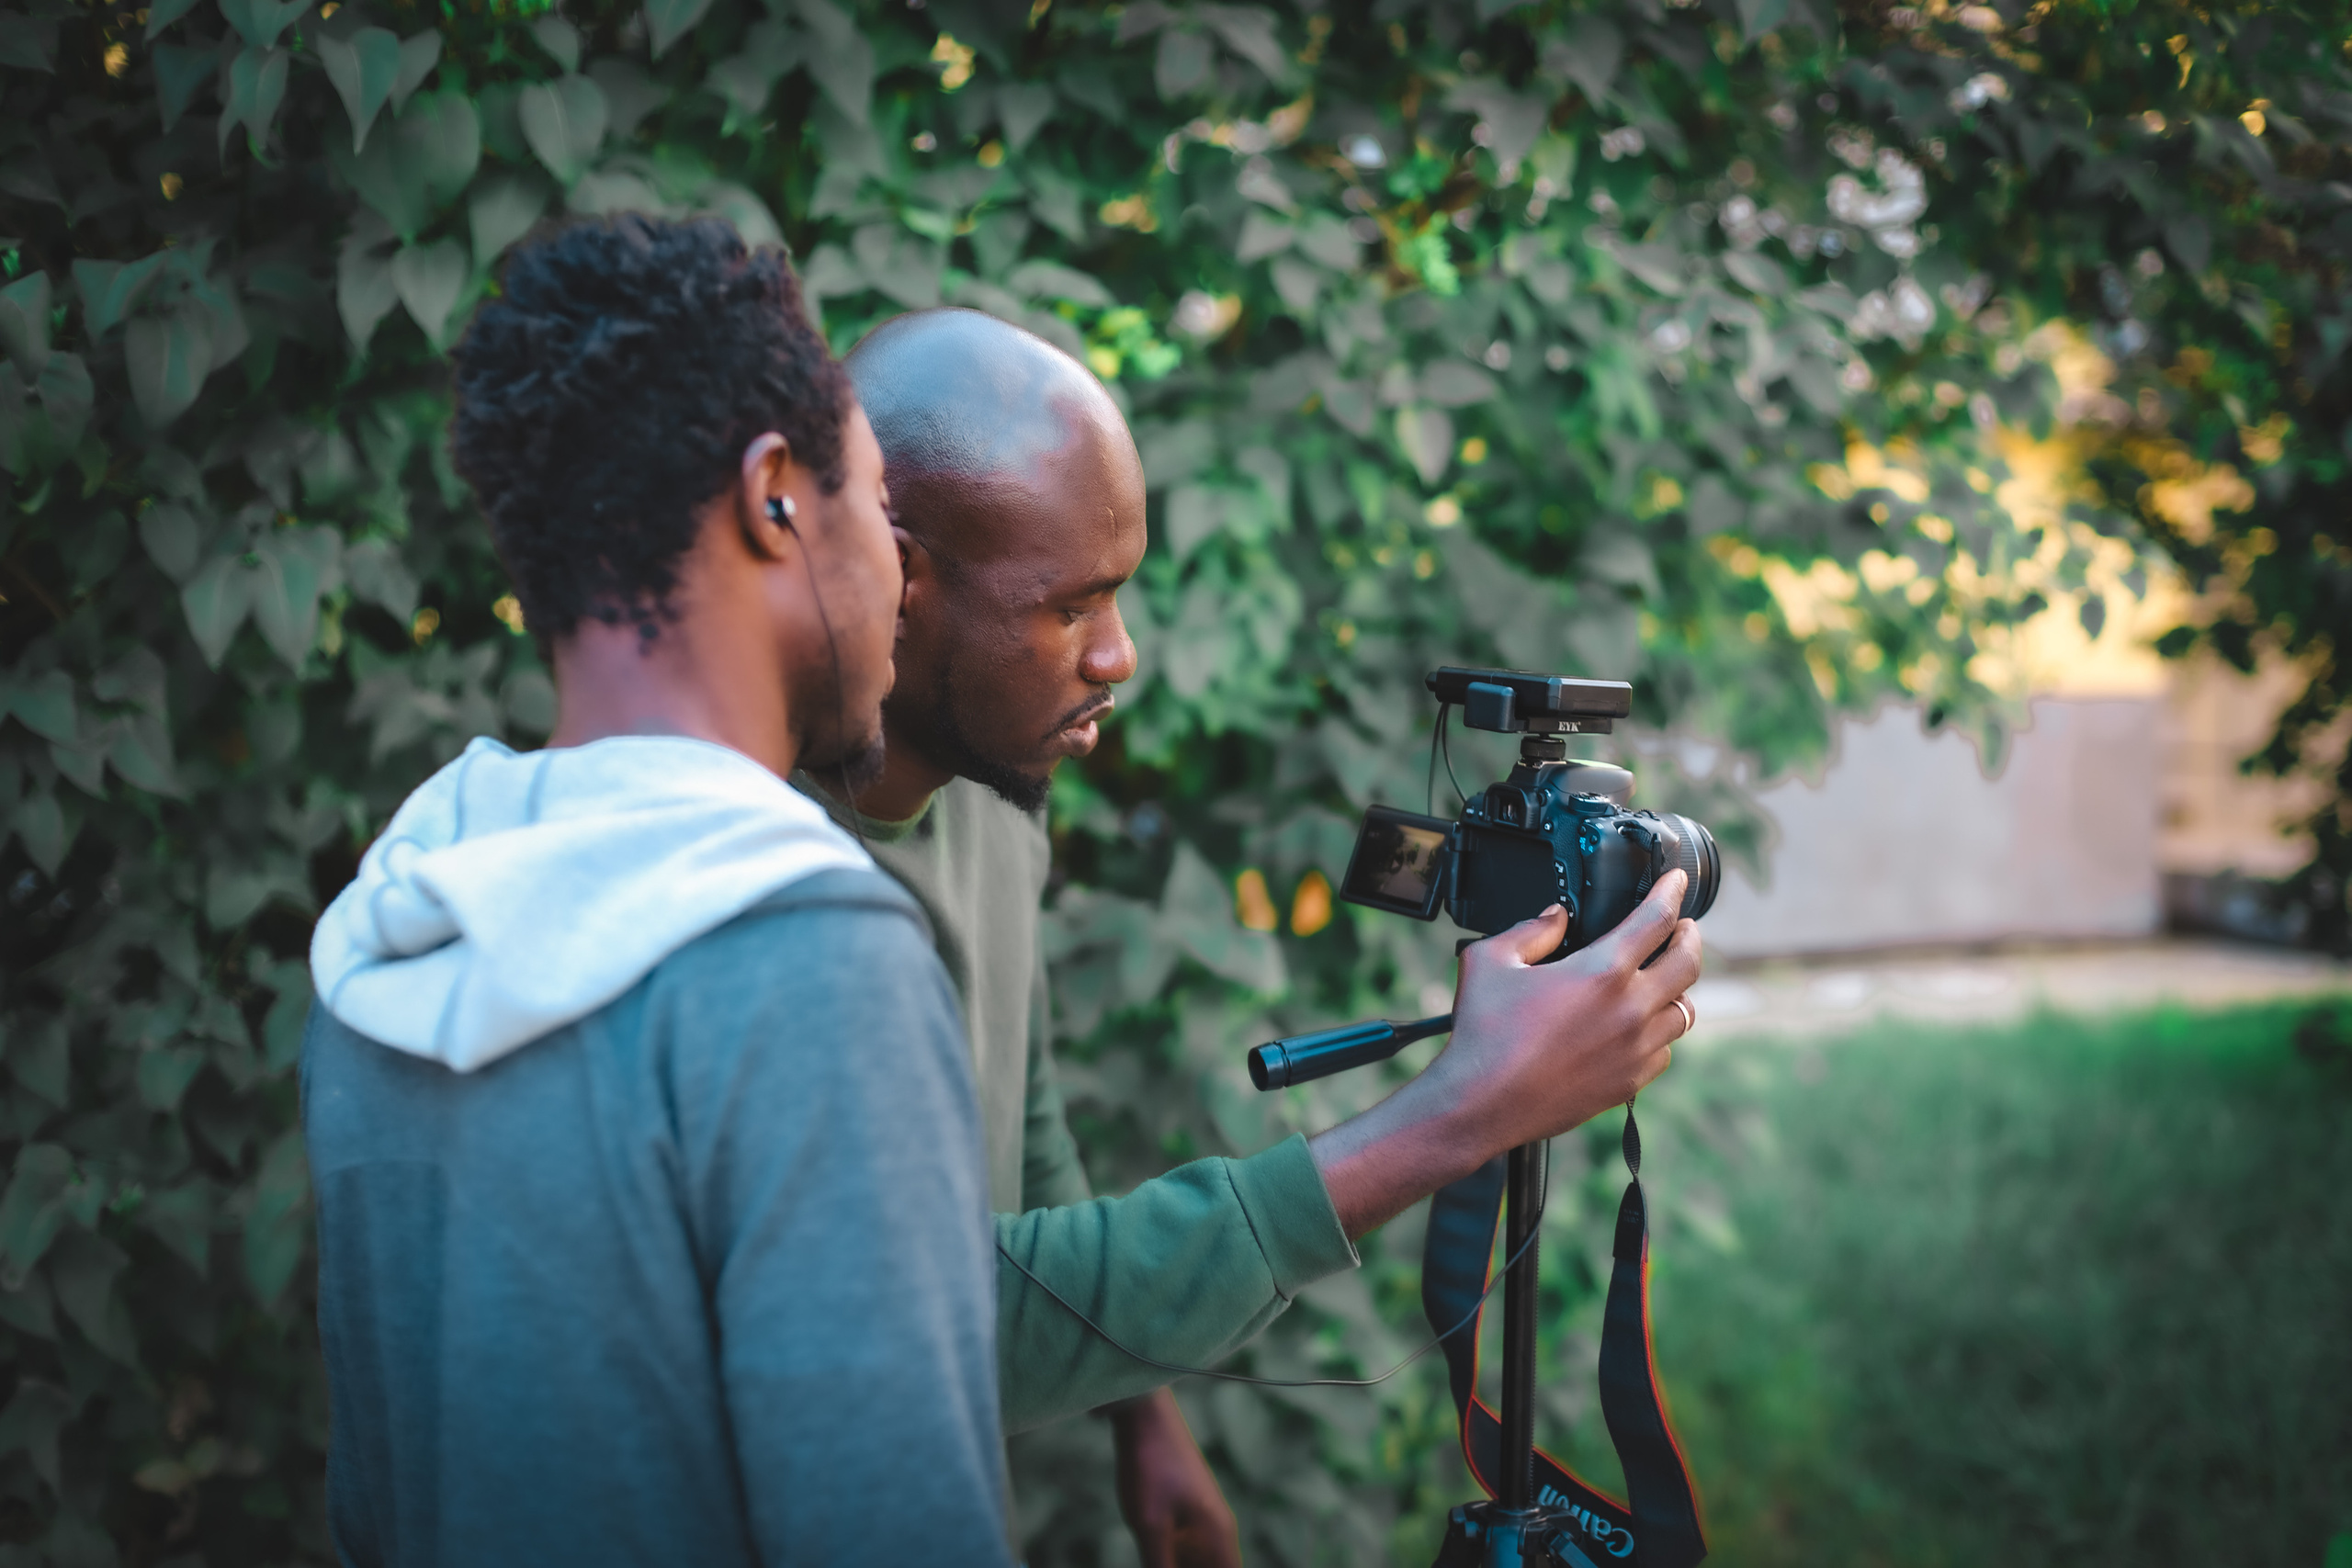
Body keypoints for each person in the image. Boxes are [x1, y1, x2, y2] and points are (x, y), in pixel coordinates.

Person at [801, 307, 1702, 1563]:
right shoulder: (773, 902)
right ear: (902, 576)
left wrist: (1141, 1410)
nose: (1120, 655)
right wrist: (1458, 1114)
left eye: (1123, 594)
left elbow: (1021, 1131)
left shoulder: (992, 806)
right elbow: (939, 1320)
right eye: (1072, 606)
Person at [300, 219, 1014, 1565]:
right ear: (776, 498)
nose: (903, 582)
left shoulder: (391, 944)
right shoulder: (814, 967)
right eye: (880, 511)